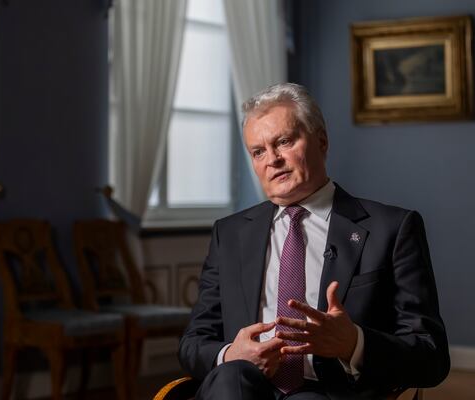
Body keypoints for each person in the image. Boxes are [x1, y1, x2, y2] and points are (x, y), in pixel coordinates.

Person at [178, 83, 450, 399]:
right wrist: (229, 354)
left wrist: (354, 344)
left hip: (330, 388)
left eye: (284, 142)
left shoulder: (393, 228)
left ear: (321, 141)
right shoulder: (229, 233)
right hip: (242, 386)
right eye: (258, 151)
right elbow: (193, 343)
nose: (272, 160)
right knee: (232, 378)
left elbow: (432, 358)